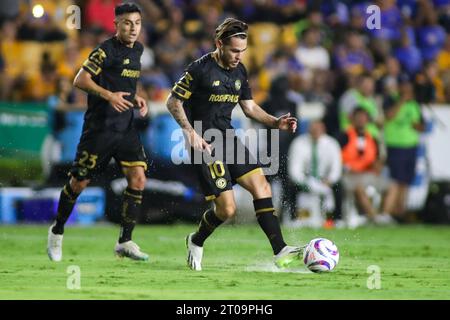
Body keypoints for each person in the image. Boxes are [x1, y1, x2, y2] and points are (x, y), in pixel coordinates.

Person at [165, 18, 300, 271]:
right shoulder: (199, 69)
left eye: (242, 51)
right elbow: (173, 102)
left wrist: (275, 122)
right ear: (219, 44)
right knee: (227, 210)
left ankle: (280, 249)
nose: (239, 56)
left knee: (262, 186)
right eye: (234, 50)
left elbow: (248, 108)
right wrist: (190, 132)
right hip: (205, 143)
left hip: (228, 138)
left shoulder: (240, 71)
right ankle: (196, 240)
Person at [47, 3, 150, 262]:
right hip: (99, 129)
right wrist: (108, 96)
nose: (133, 28)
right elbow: (79, 80)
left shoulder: (138, 49)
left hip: (125, 127)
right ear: (116, 25)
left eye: (137, 23)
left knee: (138, 178)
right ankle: (57, 231)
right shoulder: (104, 50)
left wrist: (136, 98)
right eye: (127, 22)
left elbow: (123, 83)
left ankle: (125, 241)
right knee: (78, 183)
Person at [338, 107, 393, 226]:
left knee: (391, 187)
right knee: (359, 188)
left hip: (368, 174)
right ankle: (375, 218)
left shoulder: (372, 138)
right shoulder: (344, 135)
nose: (361, 120)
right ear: (353, 119)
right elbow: (336, 156)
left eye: (363, 118)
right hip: (350, 175)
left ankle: (385, 215)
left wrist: (378, 165)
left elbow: (378, 159)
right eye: (358, 117)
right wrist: (347, 169)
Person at [287, 120, 342, 228]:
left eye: (318, 129)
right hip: (306, 179)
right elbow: (294, 170)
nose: (316, 131)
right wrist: (306, 183)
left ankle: (335, 219)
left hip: (325, 180)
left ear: (324, 130)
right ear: (309, 129)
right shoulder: (299, 143)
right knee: (291, 185)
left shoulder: (332, 144)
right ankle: (294, 218)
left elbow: (336, 168)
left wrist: (329, 180)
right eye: (313, 129)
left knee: (339, 186)